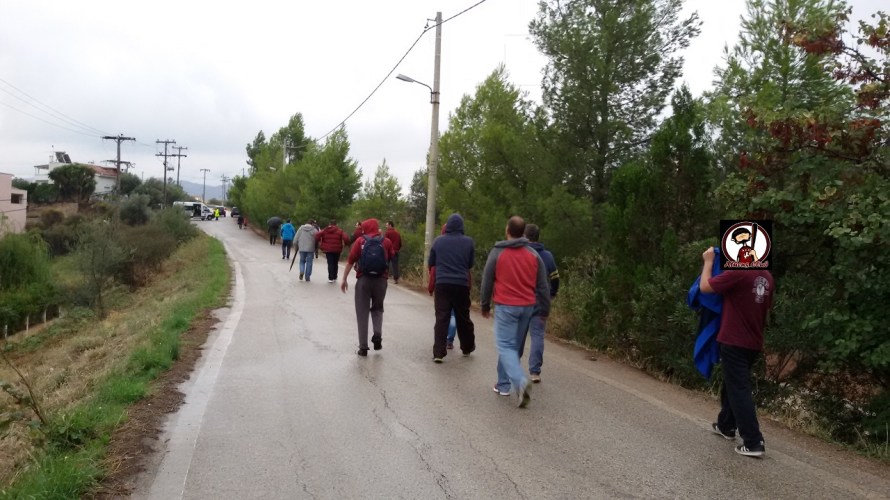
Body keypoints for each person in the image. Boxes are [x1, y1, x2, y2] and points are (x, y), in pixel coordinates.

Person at [699, 247, 774, 458]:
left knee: (739, 388)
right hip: (753, 341)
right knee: (732, 383)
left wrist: (708, 262)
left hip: (733, 340)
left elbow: (705, 287)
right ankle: (726, 425)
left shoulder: (739, 272)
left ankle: (753, 441)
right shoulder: (767, 277)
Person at [480, 216, 550, 408]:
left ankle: (519, 382)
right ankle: (503, 384)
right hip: (527, 307)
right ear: (523, 233)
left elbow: (487, 280)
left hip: (506, 306)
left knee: (505, 345)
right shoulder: (533, 255)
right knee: (514, 347)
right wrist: (544, 309)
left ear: (507, 230)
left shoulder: (498, 252)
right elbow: (543, 286)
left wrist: (485, 305)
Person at [340, 219, 394, 356]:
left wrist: (344, 279)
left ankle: (363, 347)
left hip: (363, 280)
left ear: (365, 228)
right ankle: (377, 334)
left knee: (362, 312)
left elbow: (350, 261)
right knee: (378, 309)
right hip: (381, 280)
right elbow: (391, 257)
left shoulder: (360, 241)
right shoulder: (386, 242)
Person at [428, 214, 476, 362]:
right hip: (461, 284)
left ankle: (438, 353)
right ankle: (467, 347)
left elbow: (431, 262)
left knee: (442, 317)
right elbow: (470, 264)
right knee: (463, 317)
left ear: (447, 226)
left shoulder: (438, 241)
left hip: (442, 283)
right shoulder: (469, 242)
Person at [521, 224, 559, 383]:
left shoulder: (520, 253)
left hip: (521, 301)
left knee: (518, 336)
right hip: (540, 302)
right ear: (538, 237)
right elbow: (555, 278)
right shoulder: (547, 256)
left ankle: (511, 366)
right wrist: (552, 293)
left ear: (524, 236)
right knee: (537, 336)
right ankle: (535, 372)